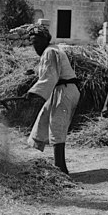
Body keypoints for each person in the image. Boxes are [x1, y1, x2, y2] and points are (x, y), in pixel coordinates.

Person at [24, 24, 81, 174]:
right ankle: (59, 165)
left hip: (64, 90)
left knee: (57, 126)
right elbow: (47, 72)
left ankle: (60, 168)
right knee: (45, 118)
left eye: (37, 42)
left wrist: (33, 93)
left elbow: (50, 76)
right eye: (32, 43)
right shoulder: (50, 51)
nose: (34, 46)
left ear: (45, 40)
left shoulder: (50, 52)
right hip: (60, 90)